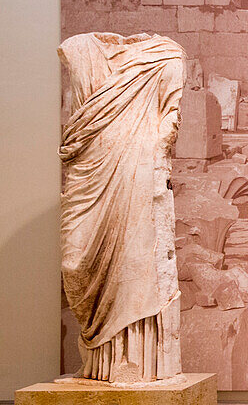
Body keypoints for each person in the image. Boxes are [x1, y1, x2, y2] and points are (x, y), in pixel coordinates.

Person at [57, 32, 185, 383]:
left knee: (135, 263)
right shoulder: (79, 49)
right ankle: (97, 364)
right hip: (88, 172)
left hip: (136, 172)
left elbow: (169, 119)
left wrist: (156, 167)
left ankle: (135, 365)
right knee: (74, 261)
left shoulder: (165, 56)